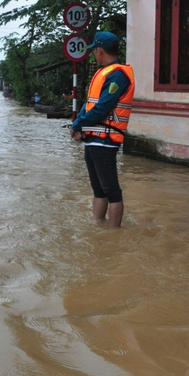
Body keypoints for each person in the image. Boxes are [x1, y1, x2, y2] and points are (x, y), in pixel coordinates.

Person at [69, 31, 135, 228]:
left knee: (112, 190)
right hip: (94, 139)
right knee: (98, 189)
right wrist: (78, 124)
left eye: (94, 51)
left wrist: (77, 125)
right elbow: (90, 105)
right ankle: (98, 227)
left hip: (105, 140)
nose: (94, 55)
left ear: (99, 50)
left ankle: (114, 235)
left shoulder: (118, 76)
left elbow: (102, 108)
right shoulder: (104, 72)